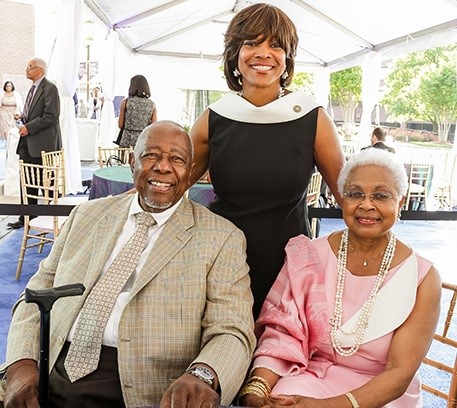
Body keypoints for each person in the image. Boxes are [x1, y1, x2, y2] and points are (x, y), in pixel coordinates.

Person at [0, 120, 256, 408]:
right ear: (132, 161)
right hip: (52, 371)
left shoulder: (221, 238)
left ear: (191, 171)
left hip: (149, 391)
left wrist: (202, 375)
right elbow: (33, 297)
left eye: (177, 159)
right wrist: (20, 369)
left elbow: (232, 330)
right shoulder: (86, 216)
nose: (162, 167)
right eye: (151, 155)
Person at [238, 148, 441, 408]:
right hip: (313, 374)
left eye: (381, 195)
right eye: (355, 194)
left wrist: (327, 406)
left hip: (381, 392)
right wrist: (259, 388)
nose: (366, 205)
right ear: (341, 199)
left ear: (400, 203)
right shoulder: (308, 255)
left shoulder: (422, 278)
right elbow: (282, 337)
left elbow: (399, 373)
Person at [190, 3, 346, 319]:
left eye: (275, 45)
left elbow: (348, 194)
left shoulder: (312, 117)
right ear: (235, 55)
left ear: (287, 59)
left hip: (289, 269)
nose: (263, 53)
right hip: (223, 264)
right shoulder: (214, 118)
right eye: (251, 43)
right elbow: (172, 184)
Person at [7, 57, 62, 230]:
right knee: (26, 180)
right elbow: (34, 113)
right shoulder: (32, 89)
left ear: (40, 70)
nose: (26, 69)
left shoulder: (50, 88)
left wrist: (28, 127)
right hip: (26, 142)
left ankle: (41, 218)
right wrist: (22, 118)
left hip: (42, 144)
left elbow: (51, 116)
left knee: (40, 182)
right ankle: (26, 217)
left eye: (29, 67)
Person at [117, 74, 157, 148]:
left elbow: (120, 125)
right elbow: (153, 127)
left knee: (125, 159)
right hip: (143, 142)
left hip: (127, 141)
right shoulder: (152, 104)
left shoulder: (126, 102)